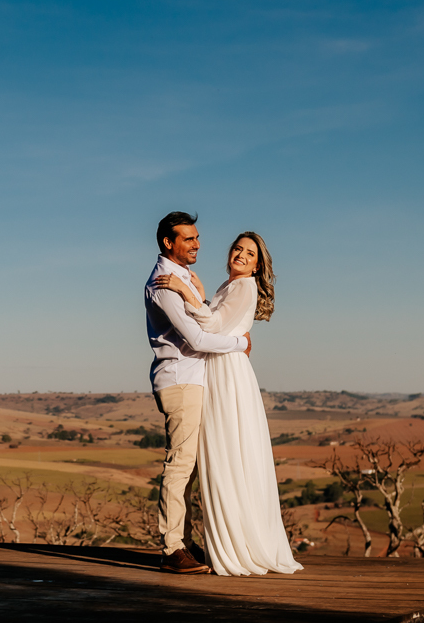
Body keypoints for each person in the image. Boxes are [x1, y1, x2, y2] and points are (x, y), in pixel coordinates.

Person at [153, 231, 303, 577]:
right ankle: (220, 541)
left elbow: (213, 327)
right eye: (238, 248)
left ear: (256, 266)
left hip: (226, 372)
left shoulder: (243, 286)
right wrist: (201, 296)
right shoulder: (227, 285)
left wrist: (185, 291)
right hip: (217, 368)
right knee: (221, 455)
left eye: (249, 254)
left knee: (229, 453)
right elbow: (215, 323)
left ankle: (234, 543)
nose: (241, 255)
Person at [145, 211, 252, 574]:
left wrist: (196, 294)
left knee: (189, 470)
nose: (197, 244)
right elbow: (196, 338)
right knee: (179, 466)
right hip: (180, 380)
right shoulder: (163, 283)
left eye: (197, 237)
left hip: (194, 379)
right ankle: (171, 548)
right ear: (168, 242)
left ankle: (184, 543)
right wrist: (241, 343)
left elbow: (204, 319)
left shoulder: (183, 278)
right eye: (189, 239)